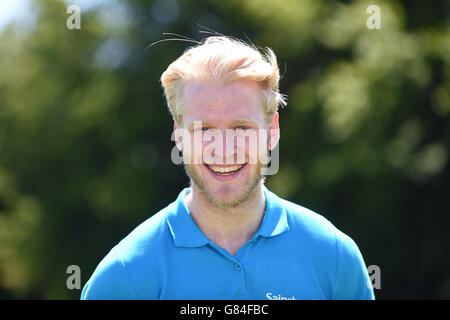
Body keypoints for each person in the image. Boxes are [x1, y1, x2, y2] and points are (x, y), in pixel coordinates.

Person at [81, 36, 375, 300]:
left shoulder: (334, 257)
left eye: (241, 128)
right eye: (204, 129)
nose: (223, 149)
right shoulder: (124, 276)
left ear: (272, 129)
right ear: (179, 135)